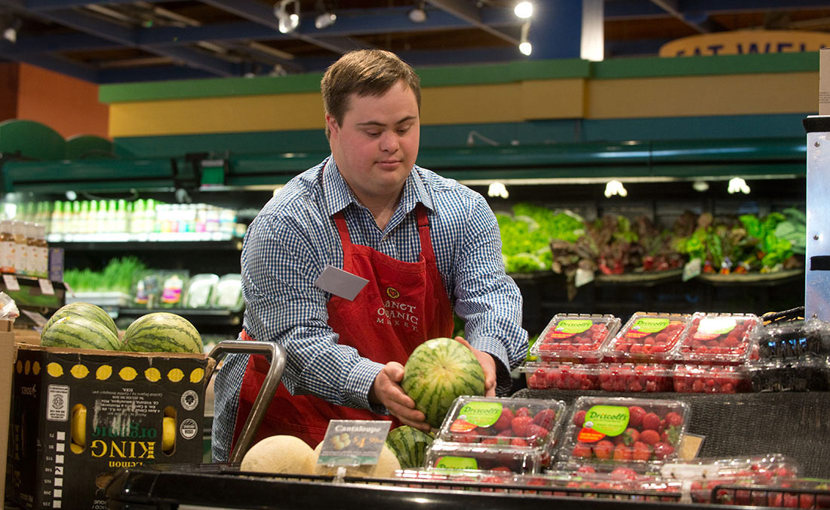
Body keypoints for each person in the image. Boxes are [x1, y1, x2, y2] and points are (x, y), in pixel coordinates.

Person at [212, 49, 528, 461]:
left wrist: (487, 355)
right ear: (333, 127)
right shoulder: (287, 223)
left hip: (411, 434)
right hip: (294, 434)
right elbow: (292, 340)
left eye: (404, 126)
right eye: (373, 130)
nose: (391, 145)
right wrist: (373, 381)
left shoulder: (462, 212)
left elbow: (493, 296)